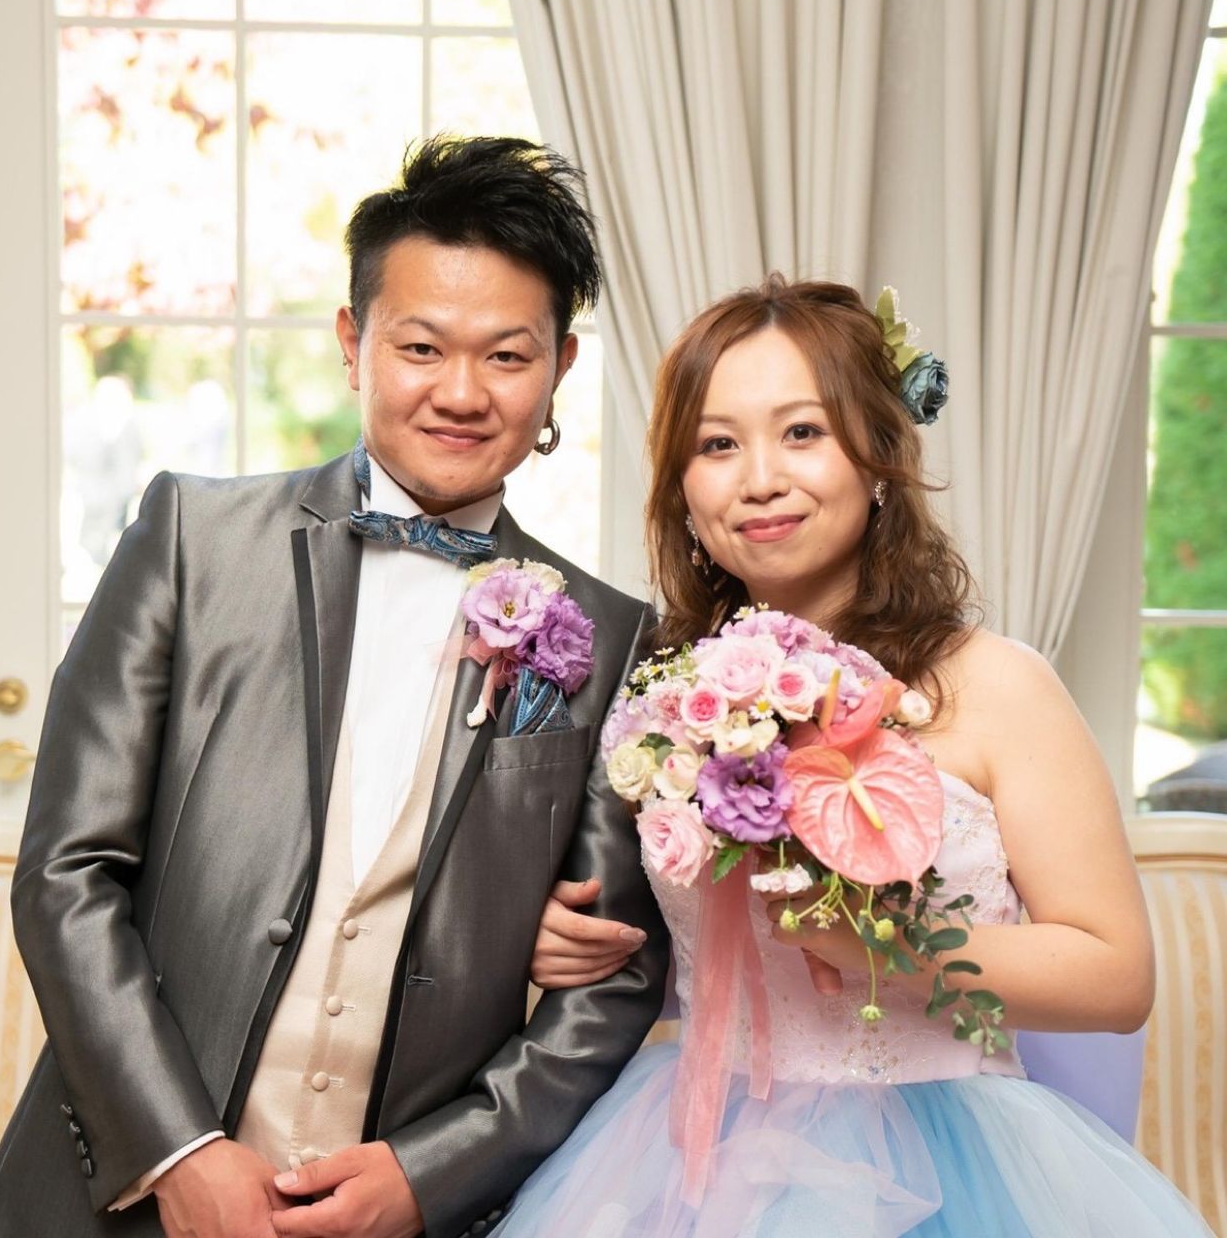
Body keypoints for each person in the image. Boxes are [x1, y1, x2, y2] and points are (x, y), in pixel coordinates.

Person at [0, 136, 668, 1238]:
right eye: (421, 346)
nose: (461, 392)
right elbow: (66, 872)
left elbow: (611, 980)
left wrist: (431, 1174)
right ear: (352, 343)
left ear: (560, 369)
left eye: (506, 356)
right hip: (116, 1196)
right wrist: (179, 1150)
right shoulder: (193, 541)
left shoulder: (611, 637)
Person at [500, 276, 1212, 1235]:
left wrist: (883, 946)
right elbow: (700, 958)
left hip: (947, 1157)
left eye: (802, 432)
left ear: (878, 456)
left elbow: (1116, 977)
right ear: (682, 489)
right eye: (717, 444)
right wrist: (580, 943)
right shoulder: (665, 697)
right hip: (696, 1155)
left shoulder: (996, 686)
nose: (759, 479)